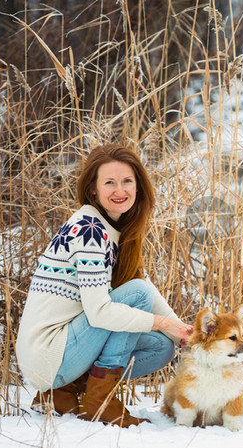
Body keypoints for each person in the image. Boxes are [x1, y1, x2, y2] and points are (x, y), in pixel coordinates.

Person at [15, 144, 193, 427]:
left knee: (162, 347)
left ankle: (61, 394)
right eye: (109, 182)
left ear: (138, 187)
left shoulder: (110, 229)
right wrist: (160, 321)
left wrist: (181, 332)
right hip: (49, 355)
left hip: (65, 352)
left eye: (126, 181)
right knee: (137, 296)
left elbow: (140, 283)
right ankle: (98, 400)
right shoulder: (90, 231)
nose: (119, 190)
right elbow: (101, 311)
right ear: (93, 190)